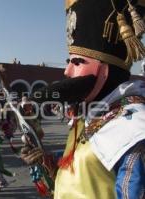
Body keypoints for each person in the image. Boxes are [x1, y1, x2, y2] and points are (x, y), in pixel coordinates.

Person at [28, 0, 145, 198]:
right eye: (68, 62)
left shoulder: (134, 128)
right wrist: (49, 160)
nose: (67, 71)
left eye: (77, 62)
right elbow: (87, 167)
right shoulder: (93, 113)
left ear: (105, 70)